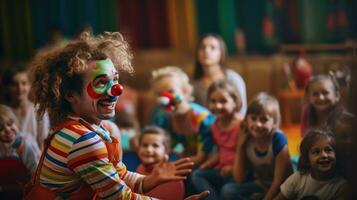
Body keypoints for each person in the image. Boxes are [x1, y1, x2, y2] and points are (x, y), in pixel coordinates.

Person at [24, 31, 209, 200]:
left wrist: (151, 179)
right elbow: (119, 197)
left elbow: (119, 175)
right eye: (101, 82)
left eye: (115, 79)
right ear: (70, 94)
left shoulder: (91, 127)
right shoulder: (82, 139)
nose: (117, 89)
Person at [221, 92, 293, 200]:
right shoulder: (247, 137)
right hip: (261, 184)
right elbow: (239, 178)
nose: (258, 124)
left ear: (274, 122)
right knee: (228, 190)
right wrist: (240, 145)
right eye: (253, 119)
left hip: (283, 187)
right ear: (246, 120)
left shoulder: (278, 138)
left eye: (264, 120)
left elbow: (279, 182)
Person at [149, 66, 216, 167]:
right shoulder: (162, 118)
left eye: (171, 91)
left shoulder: (202, 119)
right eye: (160, 94)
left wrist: (171, 166)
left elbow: (203, 157)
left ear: (185, 91)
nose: (166, 98)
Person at [190, 80, 243, 200]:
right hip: (222, 171)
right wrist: (207, 164)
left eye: (223, 101)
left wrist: (232, 168)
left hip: (239, 172)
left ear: (235, 102)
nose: (217, 106)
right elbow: (220, 151)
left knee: (227, 190)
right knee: (197, 174)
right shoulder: (214, 125)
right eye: (213, 101)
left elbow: (248, 155)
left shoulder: (242, 125)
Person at [274, 129, 348, 200]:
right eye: (316, 152)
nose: (324, 155)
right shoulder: (298, 178)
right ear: (307, 159)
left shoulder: (341, 186)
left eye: (328, 150)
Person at [192, 33, 247, 116]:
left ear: (221, 53)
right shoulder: (194, 84)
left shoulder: (233, 78)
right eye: (202, 47)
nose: (206, 51)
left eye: (213, 48)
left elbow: (242, 110)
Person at [2, 66, 50, 150]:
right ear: (7, 88)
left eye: (24, 83)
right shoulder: (3, 113)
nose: (20, 88)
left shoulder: (39, 110)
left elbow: (43, 143)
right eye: (14, 84)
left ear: (29, 86)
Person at [0, 104, 40, 199]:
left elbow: (36, 174)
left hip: (24, 191)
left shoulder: (25, 146)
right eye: (0, 129)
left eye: (10, 124)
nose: (8, 129)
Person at [136, 125, 185, 200]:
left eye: (155, 145)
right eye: (144, 145)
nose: (148, 150)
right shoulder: (139, 168)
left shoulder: (171, 175)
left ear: (166, 150)